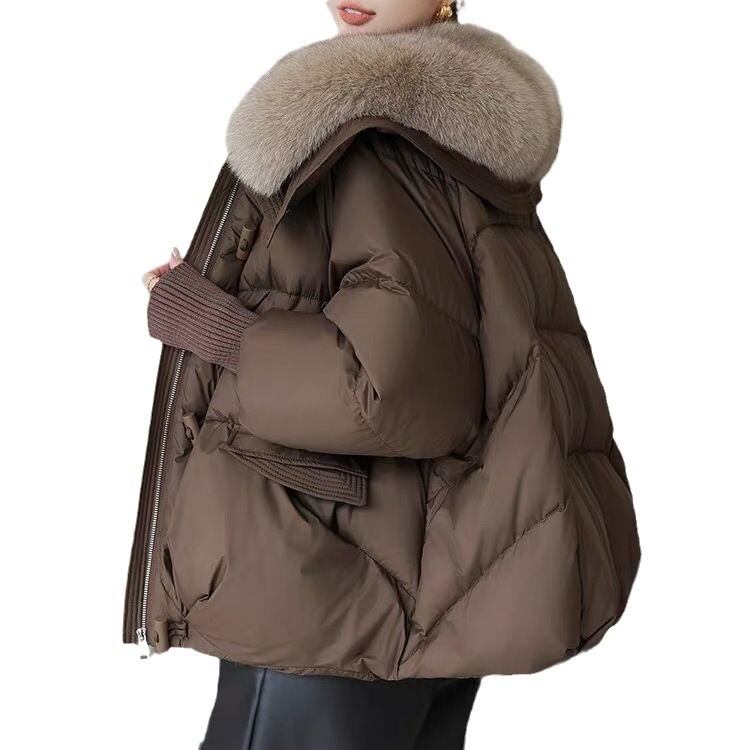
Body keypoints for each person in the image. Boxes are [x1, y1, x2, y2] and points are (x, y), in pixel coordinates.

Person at [128, 1, 640, 747]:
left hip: (327, 598)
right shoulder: (461, 147)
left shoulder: (372, 146)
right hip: (413, 588)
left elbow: (383, 388)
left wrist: (213, 324)